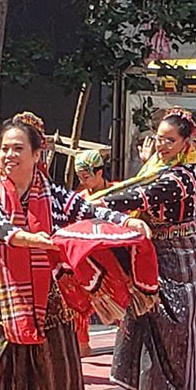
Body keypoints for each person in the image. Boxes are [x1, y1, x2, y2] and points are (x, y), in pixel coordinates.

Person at [0, 112, 148, 390]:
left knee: (50, 370)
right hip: (1, 295)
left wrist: (126, 222)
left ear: (37, 154)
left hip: (48, 293)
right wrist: (27, 238)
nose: (9, 156)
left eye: (18, 148)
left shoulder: (53, 195)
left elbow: (90, 212)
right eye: (5, 149)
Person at [96, 108, 196, 390]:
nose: (162, 146)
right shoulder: (156, 169)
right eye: (159, 139)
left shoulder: (182, 177)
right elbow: (135, 188)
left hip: (181, 254)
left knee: (179, 326)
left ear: (187, 142)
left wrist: (99, 202)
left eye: (170, 141)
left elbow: (141, 197)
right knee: (150, 319)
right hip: (155, 251)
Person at [71, 149, 114, 356]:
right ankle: (82, 343)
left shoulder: (117, 192)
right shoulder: (79, 198)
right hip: (88, 257)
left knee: (121, 300)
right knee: (79, 302)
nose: (83, 181)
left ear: (99, 172)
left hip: (113, 256)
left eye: (86, 176)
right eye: (80, 177)